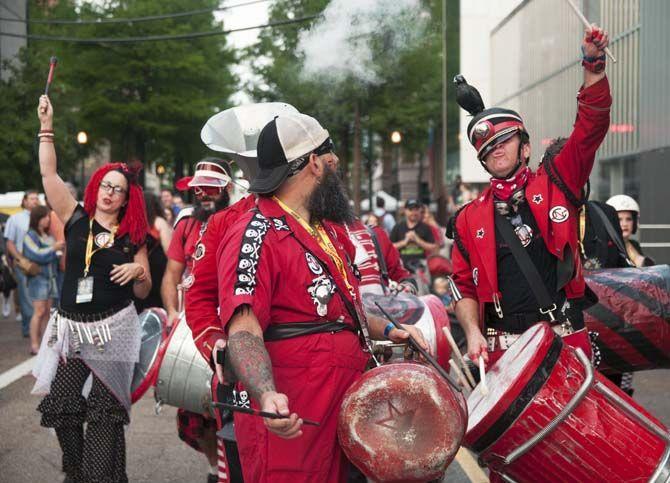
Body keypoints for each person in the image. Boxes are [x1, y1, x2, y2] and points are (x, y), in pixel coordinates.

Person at [215, 113, 427, 482]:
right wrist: (266, 395)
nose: (337, 164)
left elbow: (340, 315)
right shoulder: (255, 234)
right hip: (294, 417)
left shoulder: (324, 230)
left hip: (343, 412)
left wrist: (391, 330)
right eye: (330, 154)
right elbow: (244, 331)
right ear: (313, 162)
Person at [449, 25, 611, 367]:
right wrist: (473, 332)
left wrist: (593, 64)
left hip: (565, 339)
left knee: (583, 422)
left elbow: (589, 130)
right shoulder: (468, 218)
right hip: (503, 354)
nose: (495, 152)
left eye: (503, 142)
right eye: (487, 149)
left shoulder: (557, 182)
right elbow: (463, 287)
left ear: (525, 148)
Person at [32, 95, 151, 483]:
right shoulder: (75, 218)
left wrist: (137, 270)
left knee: (104, 411)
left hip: (115, 329)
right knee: (62, 404)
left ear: (126, 198)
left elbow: (144, 292)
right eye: (106, 185)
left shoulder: (133, 237)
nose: (110, 192)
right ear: (97, 186)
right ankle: (81, 472)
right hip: (72, 328)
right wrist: (46, 127)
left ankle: (100, 478)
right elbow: (49, 177)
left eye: (118, 189)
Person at [161, 158, 234, 483]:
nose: (204, 196)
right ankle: (212, 469)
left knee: (234, 405)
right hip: (195, 324)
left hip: (233, 321)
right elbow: (171, 274)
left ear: (226, 190)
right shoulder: (186, 225)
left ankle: (234, 469)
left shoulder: (240, 221)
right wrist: (174, 313)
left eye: (211, 190)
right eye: (199, 191)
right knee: (196, 411)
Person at [23, 205, 63, 354]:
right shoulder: (30, 235)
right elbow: (35, 254)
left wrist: (55, 251)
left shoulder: (47, 235)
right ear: (37, 218)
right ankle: (34, 345)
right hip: (38, 279)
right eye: (45, 217)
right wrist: (54, 249)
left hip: (51, 278)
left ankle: (46, 344)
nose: (48, 219)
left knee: (47, 313)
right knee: (39, 311)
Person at [4, 189, 40, 336]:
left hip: (40, 262)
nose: (35, 201)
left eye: (36, 198)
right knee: (25, 296)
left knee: (39, 296)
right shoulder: (15, 218)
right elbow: (10, 242)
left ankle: (33, 328)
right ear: (24, 201)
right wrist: (19, 258)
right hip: (22, 261)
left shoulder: (43, 217)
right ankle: (29, 330)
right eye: (32, 198)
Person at [134, 193, 172, 312]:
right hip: (158, 270)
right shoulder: (158, 221)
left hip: (139, 271)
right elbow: (169, 251)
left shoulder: (134, 222)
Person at [606, 195, 654, 267]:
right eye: (619, 219)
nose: (625, 224)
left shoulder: (634, 244)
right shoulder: (607, 248)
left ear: (634, 222)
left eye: (629, 219)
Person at [389, 199, 437, 270]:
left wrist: (417, 240)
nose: (414, 213)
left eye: (416, 209)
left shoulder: (425, 227)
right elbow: (390, 247)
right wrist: (404, 242)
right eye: (411, 210)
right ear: (405, 211)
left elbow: (433, 247)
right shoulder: (398, 227)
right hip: (401, 267)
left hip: (420, 267)